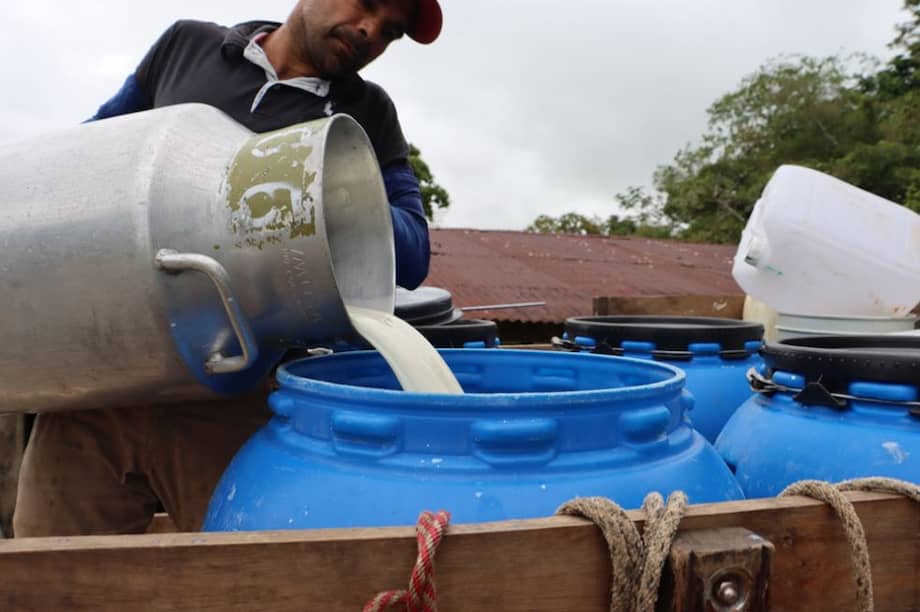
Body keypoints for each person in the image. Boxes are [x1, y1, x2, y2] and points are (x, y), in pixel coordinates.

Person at [13, 0, 442, 537]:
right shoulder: (187, 48)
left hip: (232, 389)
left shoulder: (367, 112)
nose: (372, 30)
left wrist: (330, 196)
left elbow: (414, 251)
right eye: (369, 5)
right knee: (49, 575)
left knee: (244, 577)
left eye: (392, 32)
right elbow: (90, 151)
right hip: (104, 378)